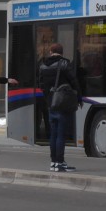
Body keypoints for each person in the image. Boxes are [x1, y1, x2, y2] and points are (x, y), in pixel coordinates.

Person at [37, 42, 80, 172]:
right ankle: (60, 162)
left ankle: (53, 162)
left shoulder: (43, 66)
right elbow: (74, 81)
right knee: (61, 134)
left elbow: (41, 84)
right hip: (62, 103)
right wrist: (79, 97)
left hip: (51, 103)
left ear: (51, 52)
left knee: (53, 134)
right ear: (61, 52)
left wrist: (48, 98)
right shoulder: (64, 64)